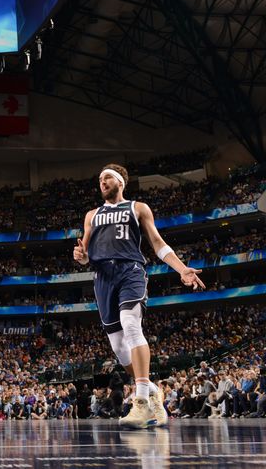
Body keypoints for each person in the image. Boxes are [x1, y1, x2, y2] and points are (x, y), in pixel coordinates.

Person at [73, 163, 205, 428]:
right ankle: (152, 390)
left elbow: (157, 242)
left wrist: (181, 269)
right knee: (119, 349)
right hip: (102, 277)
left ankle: (141, 402)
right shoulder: (91, 215)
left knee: (131, 325)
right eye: (99, 179)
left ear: (120, 182)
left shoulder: (138, 208)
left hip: (130, 270)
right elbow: (85, 254)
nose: (102, 182)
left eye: (107, 178)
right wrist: (82, 257)